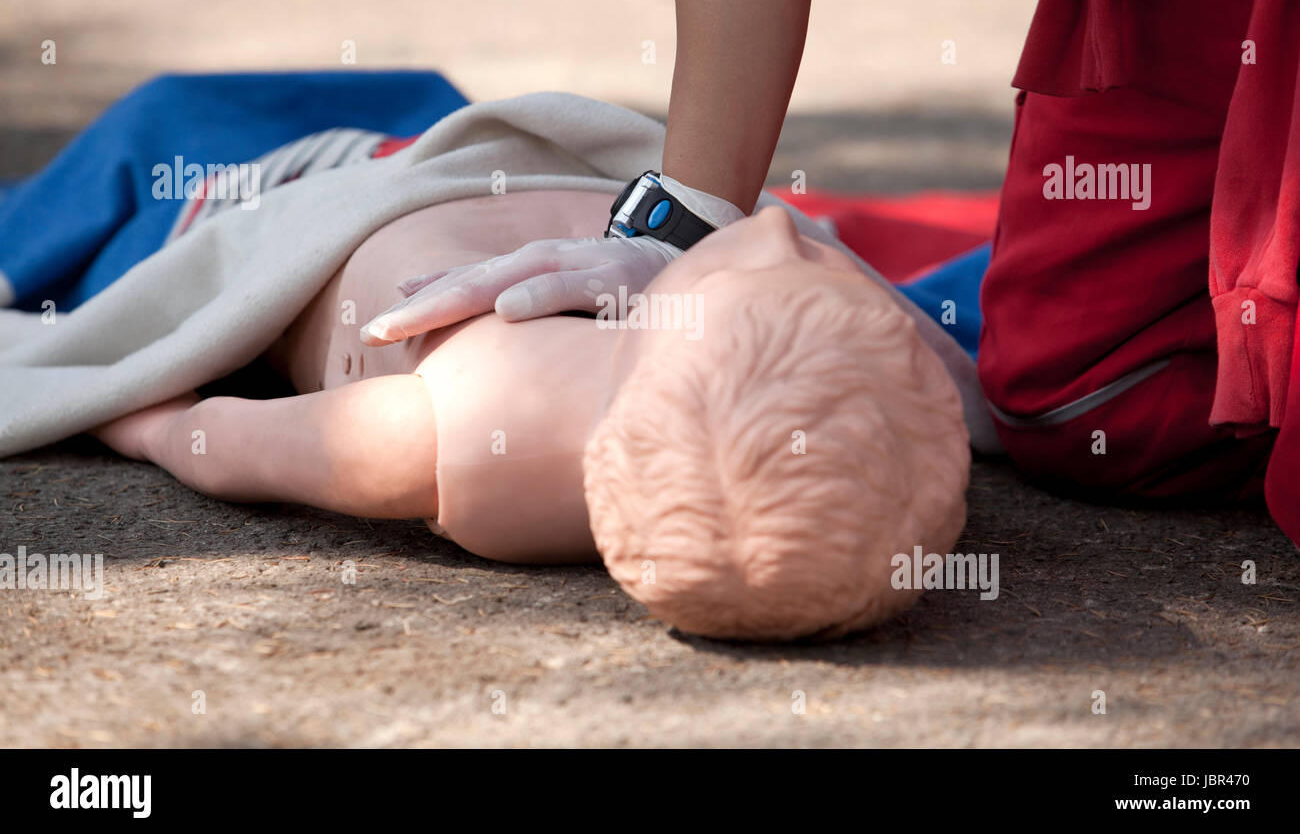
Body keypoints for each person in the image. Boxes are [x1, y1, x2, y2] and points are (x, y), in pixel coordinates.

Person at [363, 0, 1300, 547]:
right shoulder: (506, 438)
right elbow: (285, 449)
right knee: (1093, 405)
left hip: (363, 198)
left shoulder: (510, 424)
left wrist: (685, 225)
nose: (781, 229)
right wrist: (693, 216)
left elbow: (291, 446)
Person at [89, 187, 969, 640]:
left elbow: (235, 446)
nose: (778, 234)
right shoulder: (811, 466)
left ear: (667, 351)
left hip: (358, 197)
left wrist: (144, 420)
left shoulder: (468, 432)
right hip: (570, 179)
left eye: (756, 271)